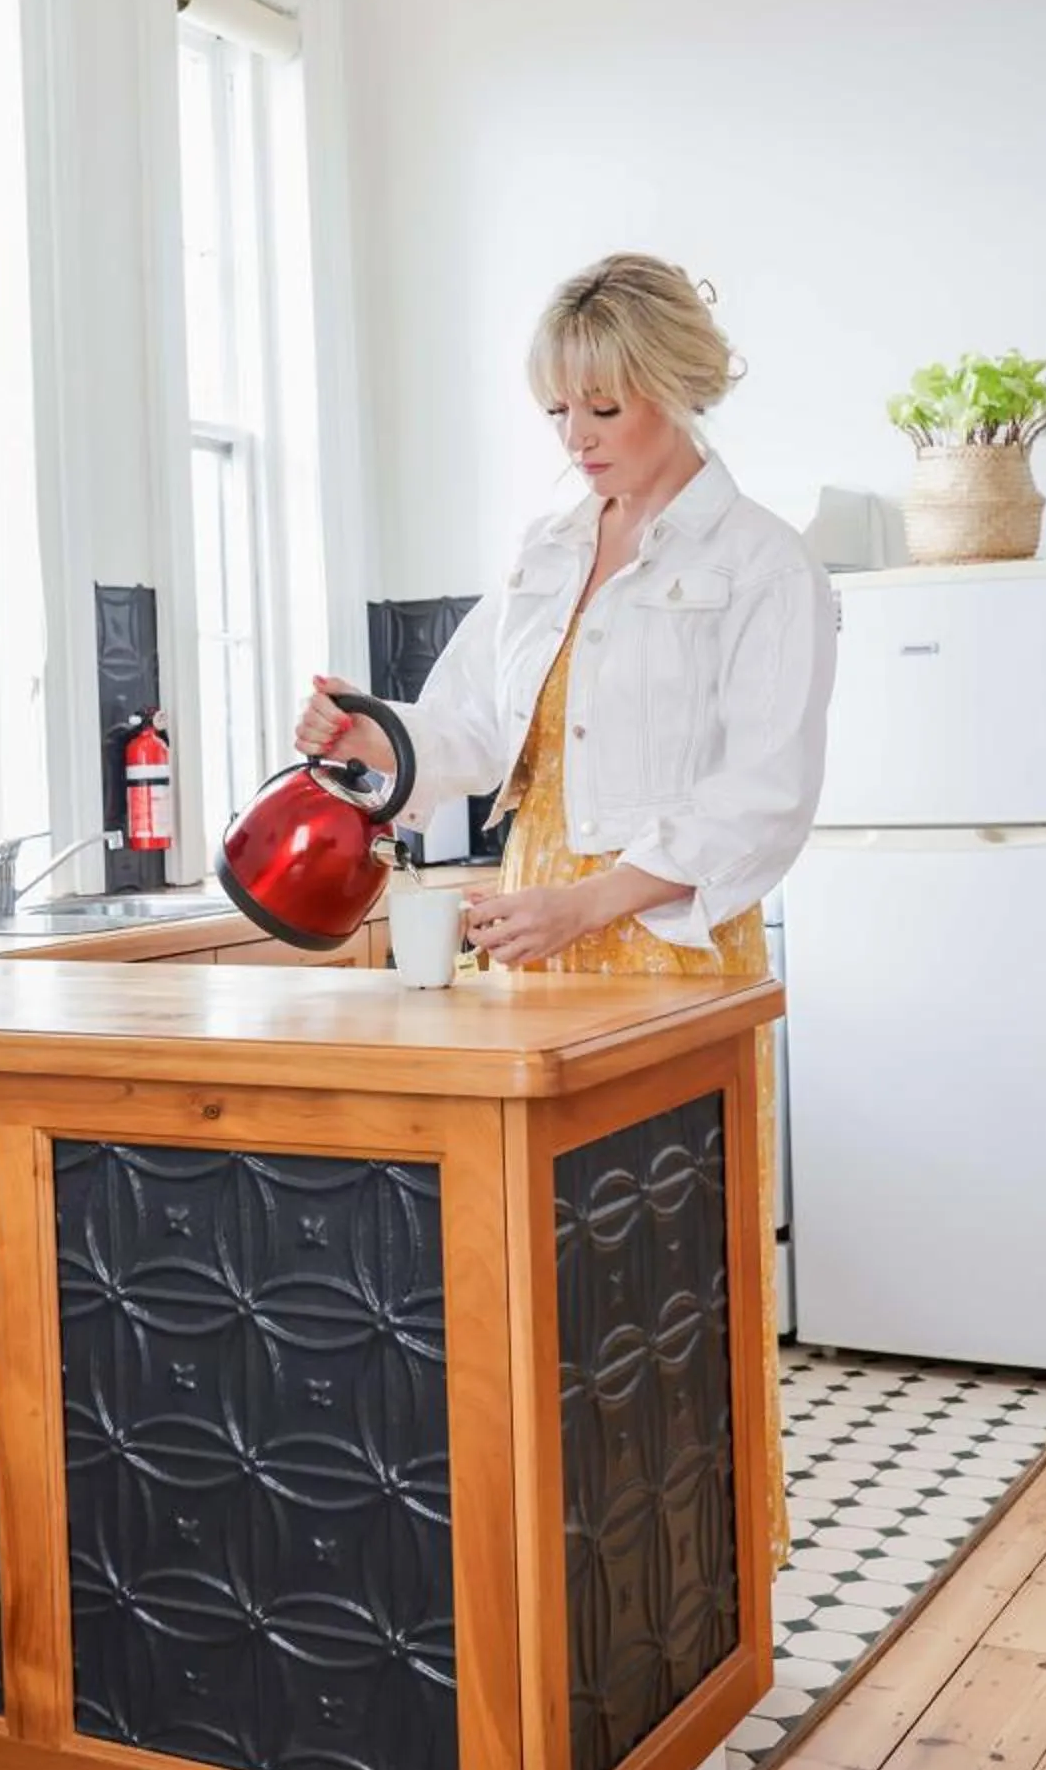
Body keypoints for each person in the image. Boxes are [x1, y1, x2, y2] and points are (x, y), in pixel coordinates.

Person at [297, 253, 835, 1566]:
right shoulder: (546, 552)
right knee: (544, 1278)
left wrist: (592, 895)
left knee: (670, 1274)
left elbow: (764, 796)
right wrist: (368, 732)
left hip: (665, 943)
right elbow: (477, 732)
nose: (578, 440)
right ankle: (568, 1563)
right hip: (537, 935)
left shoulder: (764, 565)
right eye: (557, 412)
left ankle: (696, 1573)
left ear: (674, 388)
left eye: (605, 408)